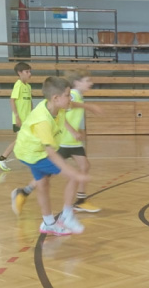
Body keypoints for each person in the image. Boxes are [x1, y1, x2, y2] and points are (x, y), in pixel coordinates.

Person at [10, 76, 90, 235]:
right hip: (34, 153)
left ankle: (48, 223)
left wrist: (90, 107)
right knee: (73, 176)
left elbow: (72, 105)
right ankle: (67, 216)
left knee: (43, 184)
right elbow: (51, 153)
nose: (70, 98)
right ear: (56, 98)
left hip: (30, 151)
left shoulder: (56, 106)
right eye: (67, 95)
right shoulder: (43, 121)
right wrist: (72, 172)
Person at [56, 71, 102, 213]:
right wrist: (73, 131)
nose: (91, 83)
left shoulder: (78, 96)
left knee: (85, 166)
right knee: (46, 173)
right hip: (64, 141)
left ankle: (81, 201)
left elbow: (71, 114)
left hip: (73, 142)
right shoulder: (74, 94)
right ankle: (24, 191)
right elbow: (61, 114)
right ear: (77, 82)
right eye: (87, 80)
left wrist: (78, 130)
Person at [0, 61, 33, 171]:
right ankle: (2, 158)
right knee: (20, 140)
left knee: (25, 139)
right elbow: (12, 100)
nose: (29, 74)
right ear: (19, 73)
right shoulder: (18, 85)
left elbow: (30, 102)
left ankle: (4, 158)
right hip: (20, 119)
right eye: (27, 72)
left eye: (30, 71)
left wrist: (32, 114)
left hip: (27, 119)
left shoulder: (28, 86)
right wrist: (17, 117)